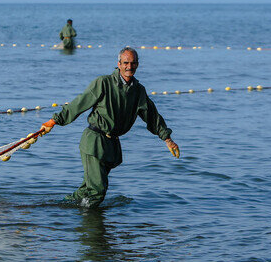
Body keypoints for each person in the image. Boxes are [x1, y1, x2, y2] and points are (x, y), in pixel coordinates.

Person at [40, 47, 180, 207]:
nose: (129, 67)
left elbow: (152, 117)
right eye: (126, 63)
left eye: (133, 63)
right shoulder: (103, 83)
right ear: (119, 64)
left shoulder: (138, 91)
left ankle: (56, 209)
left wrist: (167, 139)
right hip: (94, 142)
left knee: (87, 190)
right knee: (97, 191)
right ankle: (91, 229)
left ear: (138, 65)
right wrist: (55, 121)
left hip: (111, 146)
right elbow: (80, 103)